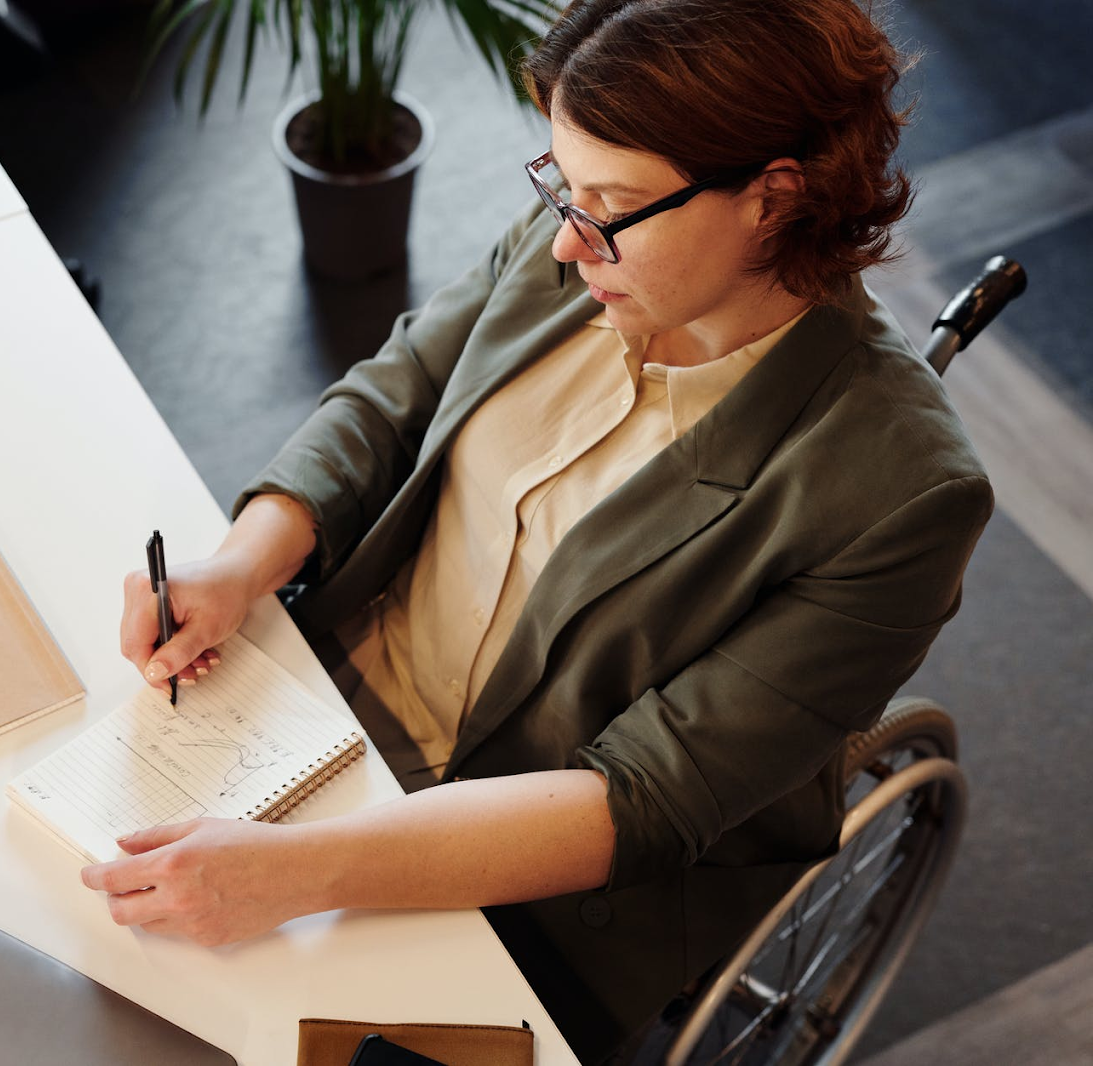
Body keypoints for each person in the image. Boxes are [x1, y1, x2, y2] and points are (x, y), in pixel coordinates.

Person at [81, 0, 992, 1060]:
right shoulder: (588, 249)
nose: (566, 236)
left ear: (771, 197)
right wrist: (239, 566)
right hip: (316, 708)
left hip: (532, 873)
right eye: (561, 183)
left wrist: (298, 870)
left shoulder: (904, 496)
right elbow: (398, 394)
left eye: (607, 203)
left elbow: (641, 794)